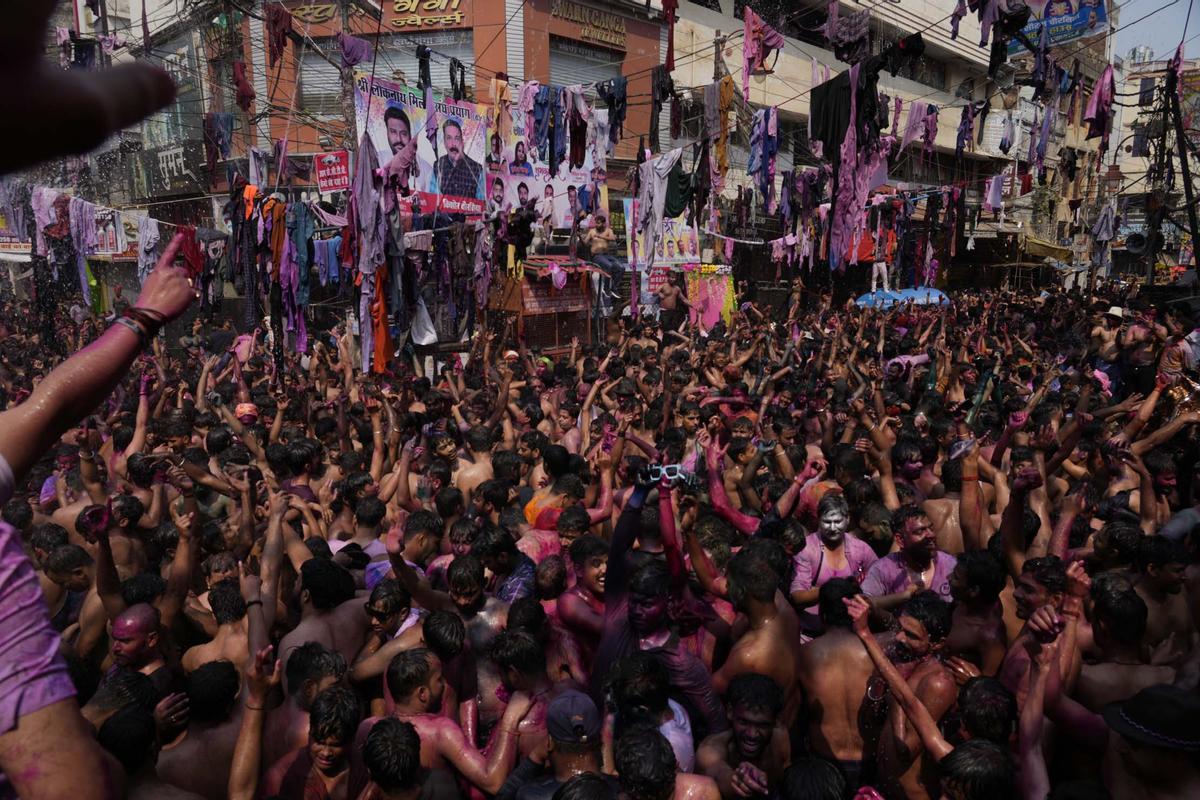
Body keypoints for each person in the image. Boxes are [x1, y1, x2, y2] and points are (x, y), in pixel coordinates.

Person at [431, 118, 484, 200]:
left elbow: (481, 204)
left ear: (462, 142)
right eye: (449, 138)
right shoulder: (437, 166)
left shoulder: (477, 169)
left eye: (456, 138)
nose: (453, 144)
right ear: (444, 142)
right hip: (443, 212)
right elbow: (433, 201)